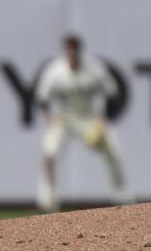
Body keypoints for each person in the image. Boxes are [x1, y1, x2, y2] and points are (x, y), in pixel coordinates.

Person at [35, 34, 133, 211]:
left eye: (74, 51)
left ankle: (121, 195)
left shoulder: (94, 68)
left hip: (91, 118)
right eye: (69, 51)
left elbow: (112, 93)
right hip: (64, 119)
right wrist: (49, 116)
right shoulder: (56, 70)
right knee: (50, 152)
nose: (72, 55)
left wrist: (104, 119)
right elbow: (42, 97)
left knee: (114, 150)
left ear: (79, 52)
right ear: (65, 53)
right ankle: (47, 197)